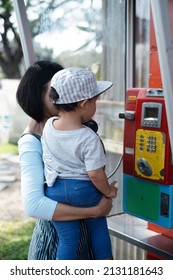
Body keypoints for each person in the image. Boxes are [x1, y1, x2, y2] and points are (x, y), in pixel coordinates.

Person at [16, 61, 113, 260]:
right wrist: (95, 211)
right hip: (55, 244)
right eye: (56, 87)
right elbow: (34, 205)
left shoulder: (70, 130)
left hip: (84, 239)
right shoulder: (31, 141)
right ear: (39, 95)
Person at [42, 67, 118, 260]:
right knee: (98, 228)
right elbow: (95, 174)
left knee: (68, 240)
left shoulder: (49, 126)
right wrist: (108, 191)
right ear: (84, 104)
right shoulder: (88, 137)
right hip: (83, 190)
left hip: (55, 190)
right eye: (95, 101)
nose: (96, 106)